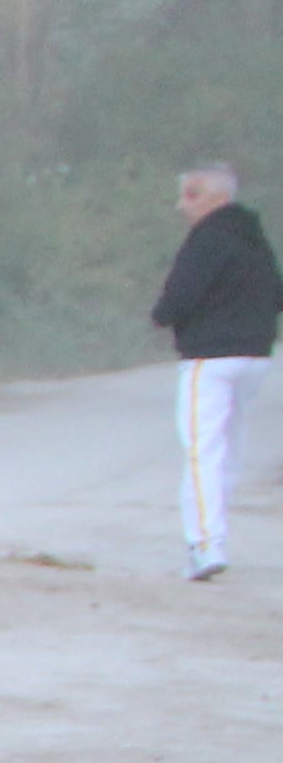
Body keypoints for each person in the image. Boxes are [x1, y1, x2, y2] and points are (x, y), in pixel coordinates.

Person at [150, 161, 278, 581]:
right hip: (254, 358)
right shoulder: (254, 239)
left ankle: (206, 544)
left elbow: (177, 298)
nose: (182, 205)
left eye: (192, 194)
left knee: (202, 451)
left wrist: (163, 315)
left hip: (208, 359)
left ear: (217, 196)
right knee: (228, 450)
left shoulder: (205, 240)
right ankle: (213, 535)